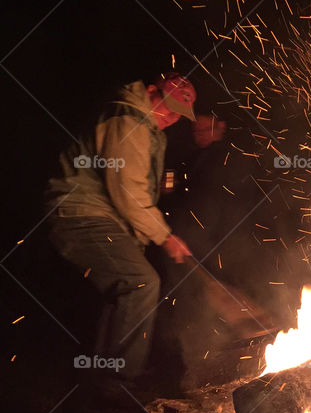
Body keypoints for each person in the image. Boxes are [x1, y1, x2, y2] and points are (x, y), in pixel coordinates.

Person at [45, 72, 197, 389]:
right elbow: (128, 192)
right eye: (166, 107)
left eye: (177, 115)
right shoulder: (128, 121)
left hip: (96, 216)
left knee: (121, 295)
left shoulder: (149, 127)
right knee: (140, 283)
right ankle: (119, 384)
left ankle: (97, 389)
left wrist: (151, 236)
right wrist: (164, 237)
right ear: (151, 91)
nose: (170, 117)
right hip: (79, 214)